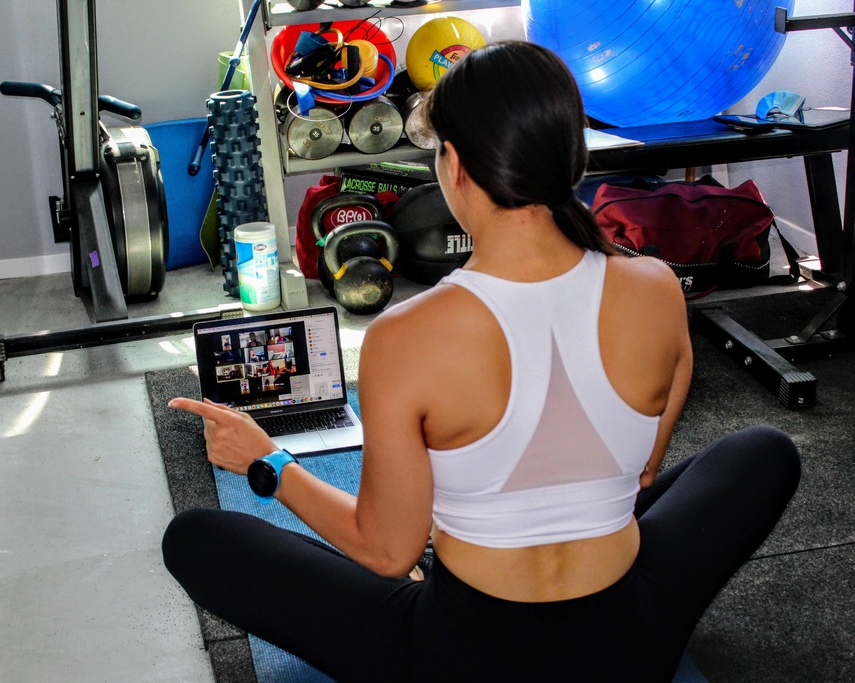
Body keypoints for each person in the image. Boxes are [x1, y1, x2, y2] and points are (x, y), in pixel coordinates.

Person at [162, 41, 800, 681]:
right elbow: (641, 478)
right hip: (630, 645)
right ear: (573, 156)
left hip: (463, 658)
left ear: (456, 164)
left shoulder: (404, 335)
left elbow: (385, 553)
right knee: (764, 451)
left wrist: (268, 462)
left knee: (196, 540)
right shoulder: (657, 287)